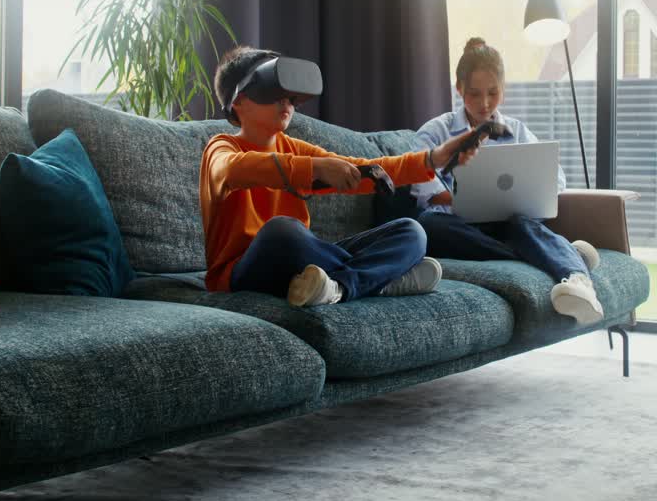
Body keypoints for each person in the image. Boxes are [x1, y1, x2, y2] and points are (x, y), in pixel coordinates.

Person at [201, 46, 479, 307]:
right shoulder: (221, 147)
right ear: (239, 101)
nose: (286, 101)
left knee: (412, 231)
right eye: (273, 92)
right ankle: (383, 279)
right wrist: (315, 168)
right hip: (242, 271)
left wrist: (432, 159)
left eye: (289, 95)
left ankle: (341, 287)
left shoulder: (295, 148)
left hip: (305, 269)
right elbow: (233, 168)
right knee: (282, 231)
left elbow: (367, 170)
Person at [410, 38, 605, 324]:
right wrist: (469, 199)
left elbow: (556, 177)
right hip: (459, 227)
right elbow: (424, 189)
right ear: (459, 89)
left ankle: (578, 281)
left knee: (520, 223)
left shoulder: (517, 131)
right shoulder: (435, 133)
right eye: (474, 94)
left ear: (504, 90)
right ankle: (563, 253)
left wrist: (526, 193)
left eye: (493, 93)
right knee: (428, 224)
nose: (484, 103)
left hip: (511, 224)